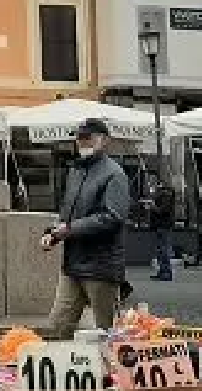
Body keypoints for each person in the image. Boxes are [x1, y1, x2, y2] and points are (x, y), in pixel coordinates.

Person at [41, 119, 132, 338]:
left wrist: (68, 229)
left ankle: (109, 371)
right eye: (80, 138)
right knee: (57, 327)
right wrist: (52, 233)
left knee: (105, 333)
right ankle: (59, 369)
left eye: (89, 138)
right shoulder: (76, 171)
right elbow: (68, 213)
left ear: (104, 140)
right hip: (73, 265)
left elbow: (113, 217)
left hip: (101, 266)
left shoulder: (114, 174)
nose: (83, 143)